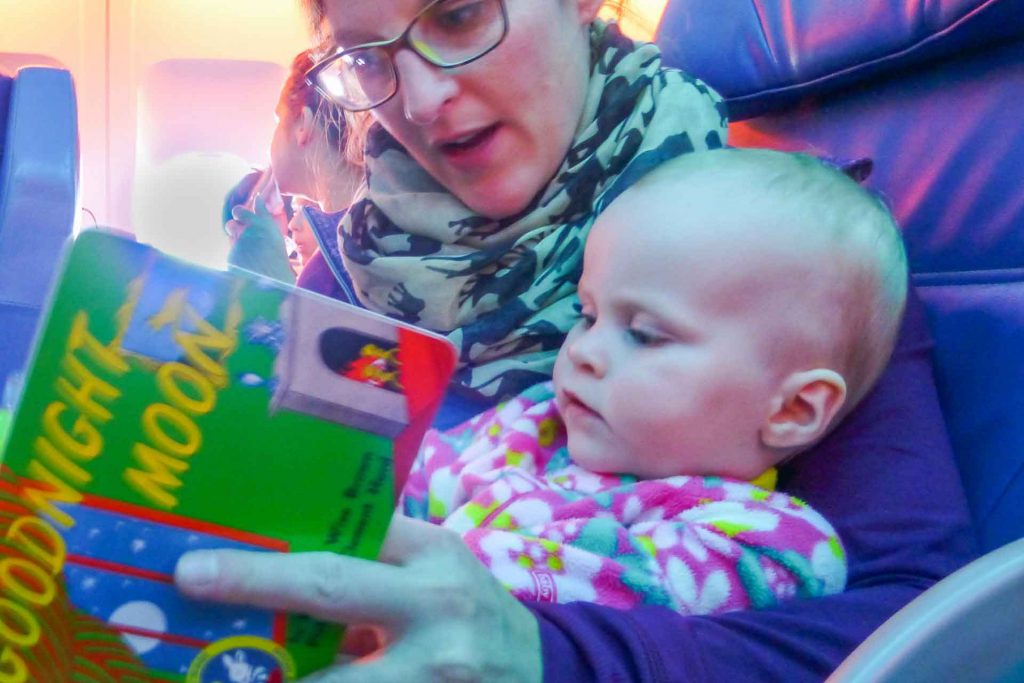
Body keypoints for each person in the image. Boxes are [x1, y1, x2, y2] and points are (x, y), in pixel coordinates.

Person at [175, 0, 976, 679]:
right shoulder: (349, 276)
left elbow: (925, 628)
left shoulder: (788, 260)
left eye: (458, 14)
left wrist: (543, 650)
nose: (415, 99)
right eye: (367, 57)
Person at [405, 148, 908, 614]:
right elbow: (418, 471)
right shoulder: (538, 421)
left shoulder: (768, 541)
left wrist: (409, 564)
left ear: (790, 411)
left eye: (644, 335)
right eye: (587, 315)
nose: (582, 351)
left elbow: (598, 585)